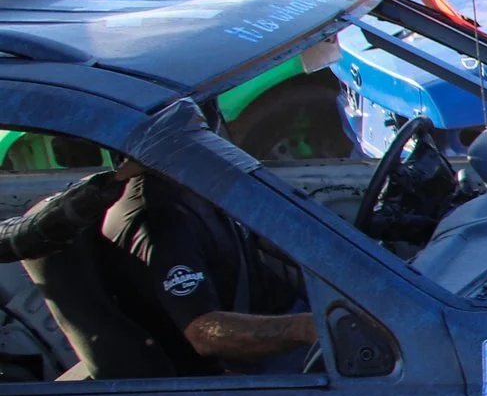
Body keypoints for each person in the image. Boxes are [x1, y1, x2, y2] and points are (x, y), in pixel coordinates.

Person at [0, 158, 311, 380]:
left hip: (287, 332)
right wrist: (305, 328)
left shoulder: (204, 187)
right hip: (257, 366)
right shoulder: (159, 219)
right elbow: (204, 334)